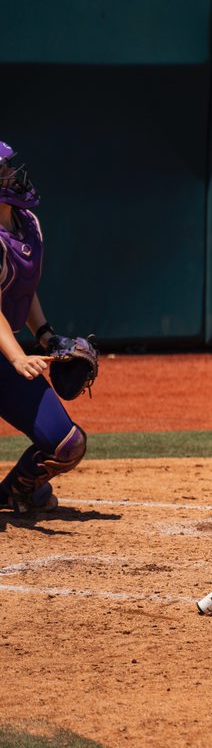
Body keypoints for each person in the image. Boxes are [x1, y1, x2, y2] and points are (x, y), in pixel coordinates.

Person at [0, 141, 88, 515]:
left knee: (67, 443)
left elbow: (24, 292)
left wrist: (46, 336)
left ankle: (15, 492)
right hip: (9, 354)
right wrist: (19, 357)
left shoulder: (27, 226)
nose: (12, 175)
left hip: (4, 355)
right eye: (2, 170)